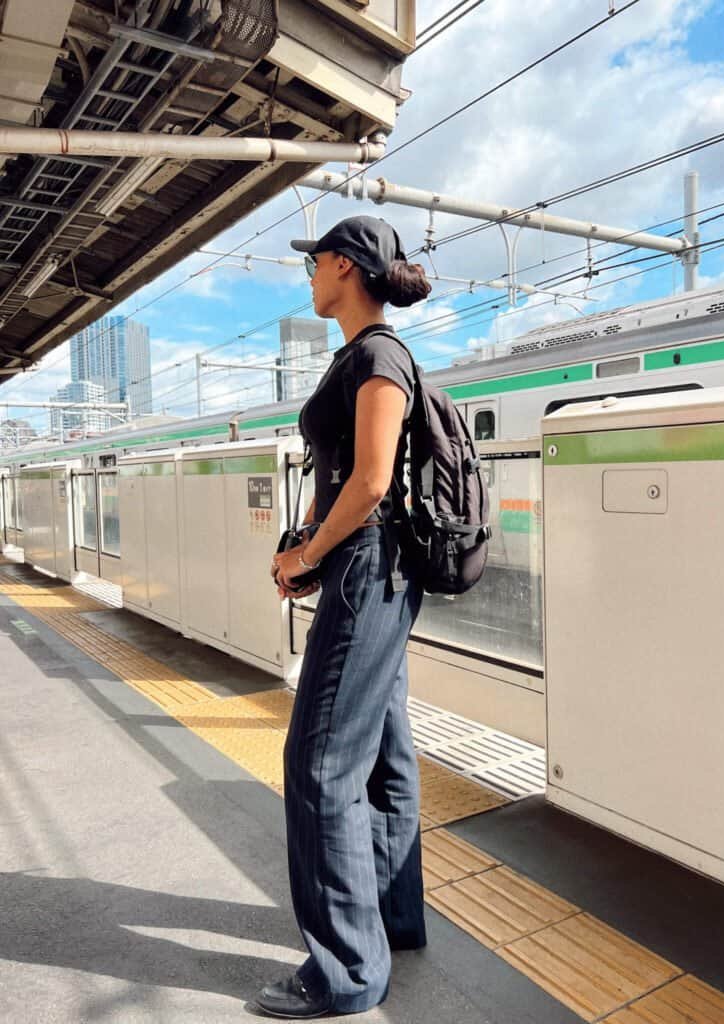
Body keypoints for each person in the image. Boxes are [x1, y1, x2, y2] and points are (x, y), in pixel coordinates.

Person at [256, 216, 432, 1019]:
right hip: (367, 570)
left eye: (315, 261)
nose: (308, 273)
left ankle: (343, 973)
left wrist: (304, 557)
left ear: (347, 266)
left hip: (369, 574)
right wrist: (311, 552)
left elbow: (368, 484)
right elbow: (351, 489)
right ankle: (390, 922)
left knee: (320, 763)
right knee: (384, 754)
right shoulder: (360, 354)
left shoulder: (378, 356)